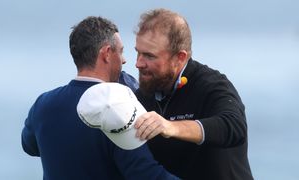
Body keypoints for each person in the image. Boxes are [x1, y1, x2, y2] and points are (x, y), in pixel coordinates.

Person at [21, 16, 178, 180]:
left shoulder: (43, 104)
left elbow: (29, 146)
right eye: (121, 51)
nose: (124, 60)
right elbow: (147, 174)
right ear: (107, 53)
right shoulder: (117, 109)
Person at [133, 8, 253, 180]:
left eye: (149, 56)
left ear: (180, 57)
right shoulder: (142, 97)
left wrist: (171, 127)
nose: (138, 63)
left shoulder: (211, 85)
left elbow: (234, 127)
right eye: (137, 52)